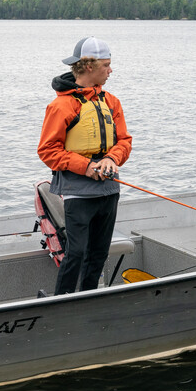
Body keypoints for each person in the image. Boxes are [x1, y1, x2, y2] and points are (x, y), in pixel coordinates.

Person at [37, 36, 133, 294]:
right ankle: (61, 302)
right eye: (106, 65)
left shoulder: (111, 102)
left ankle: (89, 298)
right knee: (76, 253)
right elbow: (47, 150)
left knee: (99, 254)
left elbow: (124, 140)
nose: (111, 70)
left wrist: (112, 159)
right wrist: (87, 167)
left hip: (109, 191)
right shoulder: (61, 105)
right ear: (89, 66)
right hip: (78, 192)